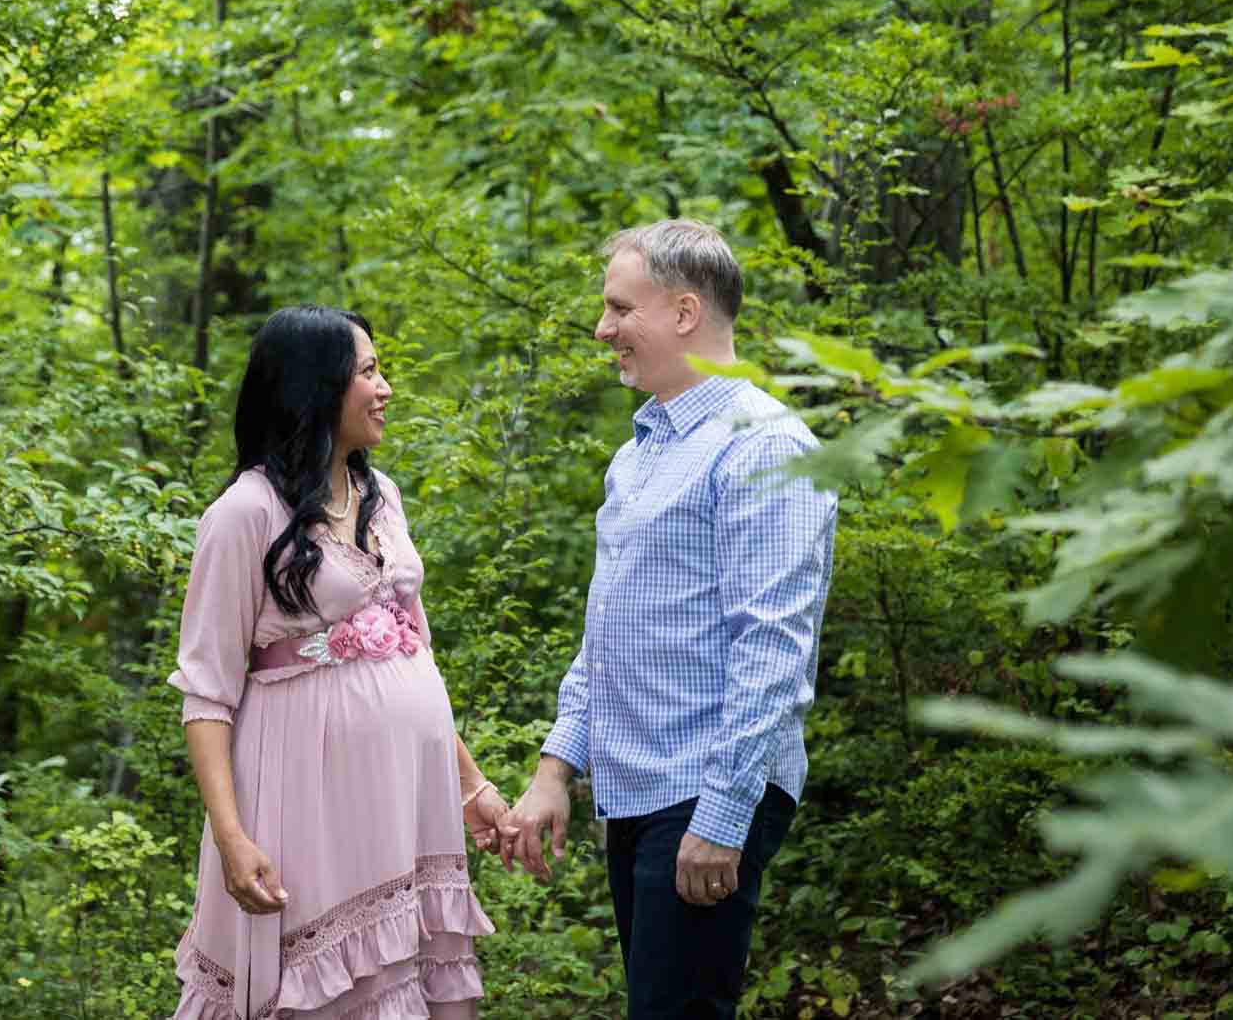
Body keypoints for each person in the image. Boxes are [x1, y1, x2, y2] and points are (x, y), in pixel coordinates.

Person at [498, 220, 837, 1019]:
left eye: (620, 308)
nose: (602, 328)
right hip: (638, 788)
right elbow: (606, 630)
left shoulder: (765, 445)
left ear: (685, 312)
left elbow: (774, 650)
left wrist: (723, 815)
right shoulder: (641, 452)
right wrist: (556, 769)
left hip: (709, 784)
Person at [169, 305, 501, 1020]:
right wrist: (231, 836)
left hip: (409, 804)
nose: (385, 389)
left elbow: (416, 654)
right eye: (370, 372)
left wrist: (472, 786)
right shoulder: (243, 513)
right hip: (305, 802)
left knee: (409, 977)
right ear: (317, 387)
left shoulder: (384, 499)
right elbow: (205, 695)